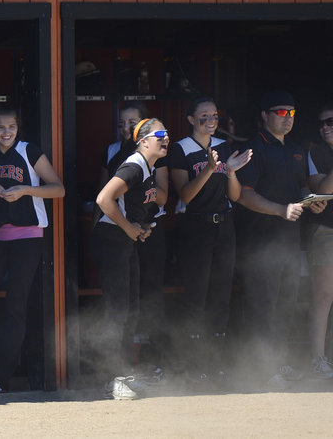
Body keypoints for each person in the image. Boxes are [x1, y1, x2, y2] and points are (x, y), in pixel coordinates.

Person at [0, 105, 64, 395]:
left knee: (14, 305)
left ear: (17, 128)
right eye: (0, 127)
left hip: (29, 236)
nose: (6, 132)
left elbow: (58, 188)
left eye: (11, 127)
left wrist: (24, 190)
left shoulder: (28, 150)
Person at [235, 90, 326, 390]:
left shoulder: (296, 149)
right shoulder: (252, 149)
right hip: (260, 242)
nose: (287, 119)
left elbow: (300, 187)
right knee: (264, 306)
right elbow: (244, 195)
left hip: (289, 240)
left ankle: (279, 364)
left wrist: (311, 200)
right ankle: (261, 370)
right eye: (281, 112)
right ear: (264, 115)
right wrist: (280, 209)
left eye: (292, 113)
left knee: (285, 304)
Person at [168, 97, 252, 387]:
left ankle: (217, 364)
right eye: (204, 116)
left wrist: (229, 171)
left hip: (224, 226)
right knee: (197, 297)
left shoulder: (223, 146)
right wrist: (209, 167)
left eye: (214, 115)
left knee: (221, 297)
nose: (211, 121)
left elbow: (236, 196)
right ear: (191, 119)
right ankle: (195, 365)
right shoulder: (180, 149)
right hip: (196, 227)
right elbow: (186, 196)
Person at [92, 118, 169, 384]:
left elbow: (135, 206)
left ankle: (122, 374)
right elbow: (104, 199)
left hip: (124, 239)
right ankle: (112, 377)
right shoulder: (135, 165)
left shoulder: (149, 167)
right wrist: (127, 228)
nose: (166, 137)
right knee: (118, 311)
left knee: (130, 309)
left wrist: (140, 227)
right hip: (112, 239)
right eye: (160, 133)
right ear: (143, 141)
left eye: (167, 133)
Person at [304, 103, 333, 379]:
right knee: (324, 296)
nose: (325, 127)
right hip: (326, 230)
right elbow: (322, 190)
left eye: (331, 122)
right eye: (322, 123)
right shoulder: (315, 152)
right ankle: (318, 359)